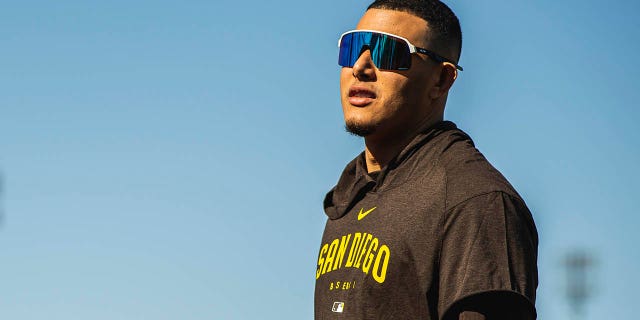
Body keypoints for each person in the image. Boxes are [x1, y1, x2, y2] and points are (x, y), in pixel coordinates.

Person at [314, 1, 538, 319]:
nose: (360, 67)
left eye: (387, 51)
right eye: (351, 48)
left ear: (441, 81)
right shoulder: (349, 197)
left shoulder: (476, 201)